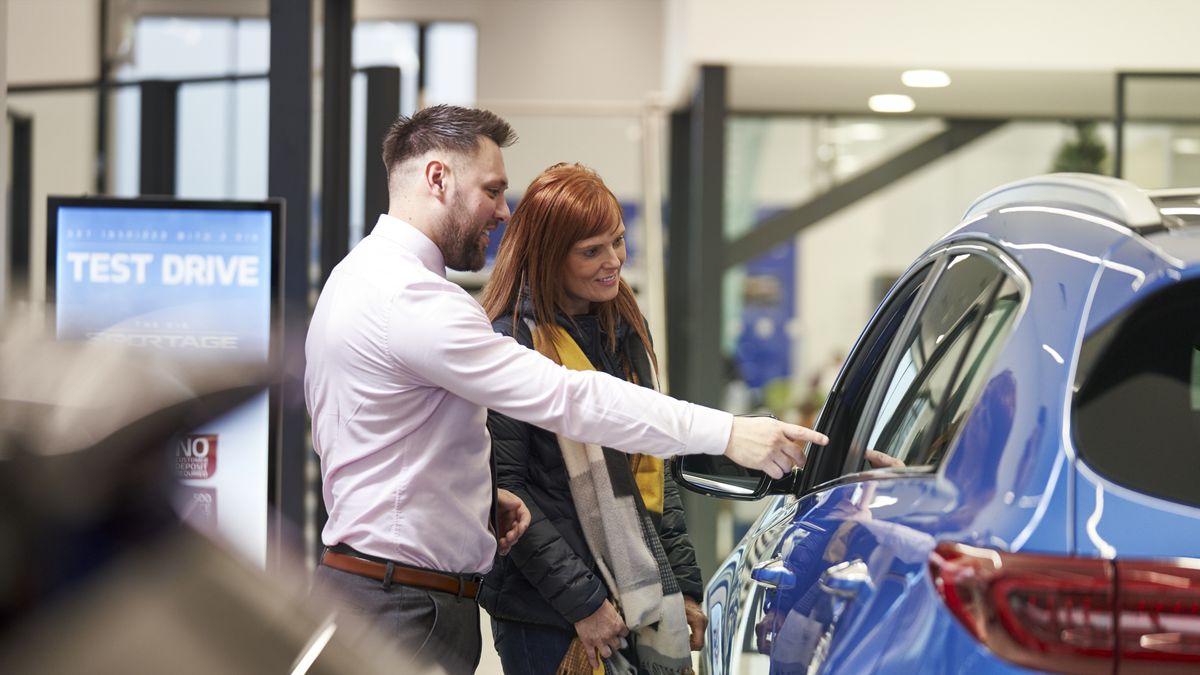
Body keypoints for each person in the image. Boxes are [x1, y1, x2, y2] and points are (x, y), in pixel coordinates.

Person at [304, 105, 828, 675]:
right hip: (407, 607)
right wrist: (728, 432)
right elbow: (571, 399)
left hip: (387, 593)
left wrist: (473, 500)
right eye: (493, 190)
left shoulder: (358, 278)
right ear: (438, 178)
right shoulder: (414, 300)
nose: (503, 212)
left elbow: (366, 438)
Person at [478, 163, 710, 675]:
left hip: (642, 600)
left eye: (619, 242)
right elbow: (507, 489)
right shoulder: (508, 341)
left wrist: (687, 588)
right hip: (548, 617)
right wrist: (584, 604)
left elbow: (652, 466)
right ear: (547, 255)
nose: (614, 262)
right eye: (592, 251)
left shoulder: (623, 325)